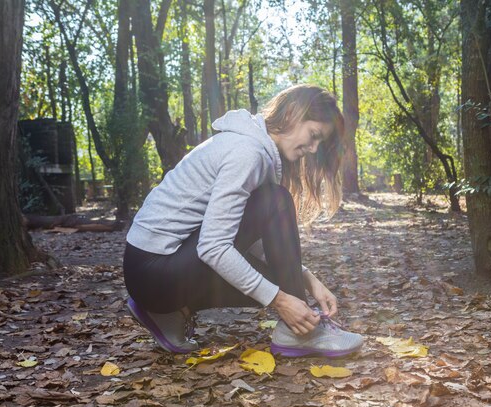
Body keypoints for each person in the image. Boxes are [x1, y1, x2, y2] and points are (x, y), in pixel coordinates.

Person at [123, 84, 364, 357]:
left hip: (152, 271)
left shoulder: (254, 149)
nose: (313, 148)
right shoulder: (247, 153)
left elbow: (245, 238)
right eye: (314, 135)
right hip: (154, 274)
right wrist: (282, 301)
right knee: (276, 202)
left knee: (277, 276)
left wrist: (307, 279)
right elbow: (213, 247)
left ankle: (172, 312)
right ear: (294, 115)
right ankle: (302, 333)